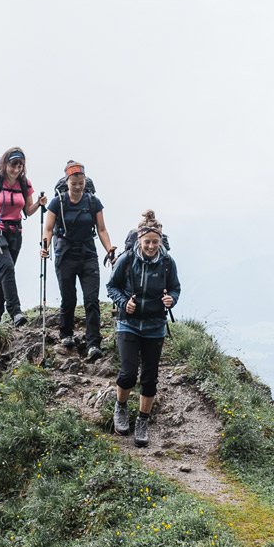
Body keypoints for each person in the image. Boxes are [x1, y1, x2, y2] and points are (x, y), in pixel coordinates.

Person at [107, 210, 180, 447]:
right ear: (139, 240)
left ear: (160, 241)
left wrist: (172, 300)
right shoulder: (127, 260)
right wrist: (122, 303)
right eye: (147, 241)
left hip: (155, 326)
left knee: (149, 379)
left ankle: (143, 421)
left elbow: (175, 288)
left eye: (155, 242)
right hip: (128, 324)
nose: (151, 246)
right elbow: (112, 287)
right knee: (128, 373)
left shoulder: (168, 263)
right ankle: (120, 408)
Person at [40, 161, 115, 360]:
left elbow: (101, 230)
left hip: (88, 255)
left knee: (91, 300)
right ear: (67, 182)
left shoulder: (93, 202)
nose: (78, 187)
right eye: (74, 183)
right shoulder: (58, 202)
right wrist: (45, 247)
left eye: (81, 183)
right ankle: (66, 335)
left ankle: (93, 344)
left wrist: (110, 250)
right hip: (65, 255)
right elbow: (48, 229)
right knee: (69, 298)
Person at [0, 147, 47, 327]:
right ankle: (15, 312)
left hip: (15, 233)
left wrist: (38, 203)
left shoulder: (25, 184)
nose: (16, 170)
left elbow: (27, 211)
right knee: (7, 266)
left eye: (20, 166)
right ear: (6, 164)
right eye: (13, 165)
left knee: (4, 271)